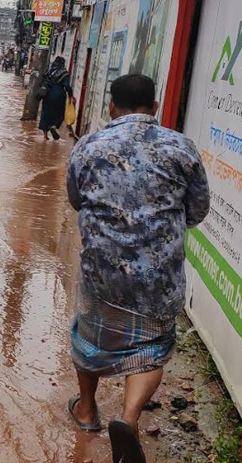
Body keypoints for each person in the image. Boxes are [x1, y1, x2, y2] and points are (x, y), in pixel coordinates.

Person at [65, 74, 209, 463]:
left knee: (89, 338)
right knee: (151, 348)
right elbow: (197, 211)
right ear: (155, 107)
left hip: (102, 273)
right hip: (157, 280)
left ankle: (87, 411)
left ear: (112, 106)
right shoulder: (182, 148)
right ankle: (128, 418)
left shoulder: (87, 146)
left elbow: (77, 200)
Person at [39, 56, 72, 140]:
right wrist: (71, 95)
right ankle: (53, 125)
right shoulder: (64, 73)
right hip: (59, 95)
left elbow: (43, 79)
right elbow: (67, 85)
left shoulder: (50, 71)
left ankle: (45, 135)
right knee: (59, 113)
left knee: (46, 113)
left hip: (48, 94)